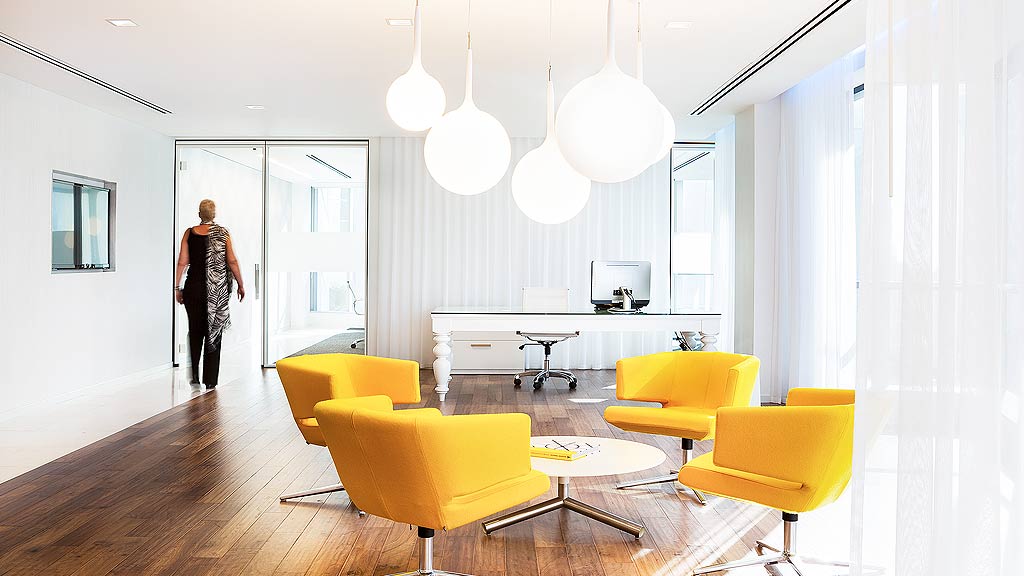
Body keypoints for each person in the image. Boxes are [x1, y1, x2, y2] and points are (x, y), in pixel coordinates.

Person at [174, 199, 245, 389]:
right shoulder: (223, 233)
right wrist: (240, 283)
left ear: (199, 214)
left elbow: (182, 261)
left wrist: (176, 287)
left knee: (195, 331)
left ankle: (195, 377)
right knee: (213, 332)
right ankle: (211, 381)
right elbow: (232, 261)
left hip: (193, 289)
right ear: (214, 215)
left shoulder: (189, 233)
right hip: (216, 291)